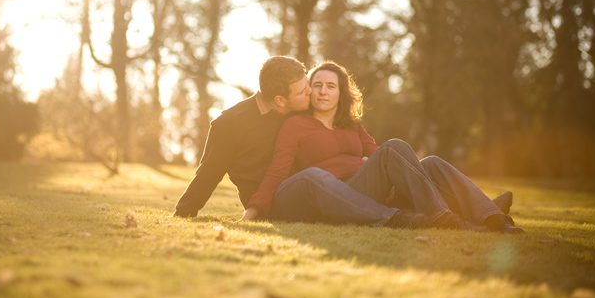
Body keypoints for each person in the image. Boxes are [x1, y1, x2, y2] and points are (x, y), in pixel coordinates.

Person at [243, 60, 524, 234]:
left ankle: (491, 215)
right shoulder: (296, 126)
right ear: (309, 91)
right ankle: (448, 215)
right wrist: (253, 211)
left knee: (431, 163)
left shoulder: (352, 125)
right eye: (317, 85)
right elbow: (278, 169)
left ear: (341, 93)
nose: (323, 91)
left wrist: (382, 170)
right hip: (340, 193)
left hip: (370, 187)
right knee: (393, 148)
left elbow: (382, 157)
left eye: (331, 86)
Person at [174, 56, 421, 228]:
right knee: (313, 177)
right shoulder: (230, 125)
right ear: (281, 100)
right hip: (274, 202)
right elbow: (208, 174)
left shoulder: (297, 109)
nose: (312, 93)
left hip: (320, 190)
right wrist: (184, 213)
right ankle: (398, 218)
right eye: (305, 90)